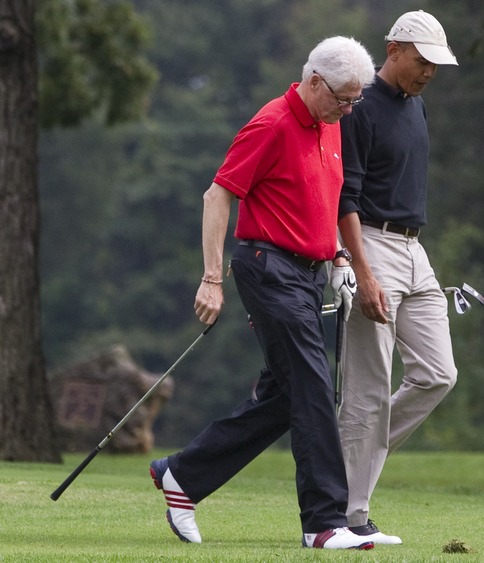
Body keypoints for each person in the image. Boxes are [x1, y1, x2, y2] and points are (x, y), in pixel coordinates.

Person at [148, 36, 376, 550]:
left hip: (308, 273)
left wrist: (338, 255)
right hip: (266, 267)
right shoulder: (271, 123)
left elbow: (321, 202)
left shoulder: (330, 126)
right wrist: (210, 278)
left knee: (285, 397)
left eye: (354, 101)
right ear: (314, 81)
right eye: (341, 98)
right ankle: (323, 524)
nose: (347, 109)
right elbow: (217, 194)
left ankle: (182, 476)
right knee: (317, 389)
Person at [334, 10, 459, 546]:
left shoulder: (418, 107)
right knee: (367, 390)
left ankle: (341, 462)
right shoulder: (359, 108)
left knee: (438, 374)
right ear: (393, 49)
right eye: (421, 60)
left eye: (435, 64)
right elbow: (345, 198)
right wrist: (360, 272)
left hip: (414, 248)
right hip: (370, 244)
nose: (428, 71)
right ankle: (346, 516)